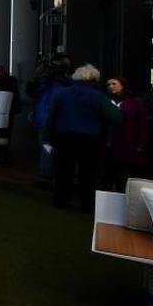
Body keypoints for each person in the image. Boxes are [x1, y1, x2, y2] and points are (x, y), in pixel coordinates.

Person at [45, 64, 122, 211]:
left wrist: (47, 138)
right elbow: (116, 117)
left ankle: (60, 200)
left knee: (63, 171)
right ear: (94, 80)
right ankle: (86, 204)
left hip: (64, 136)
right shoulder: (98, 96)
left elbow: (51, 118)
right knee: (87, 173)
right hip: (90, 138)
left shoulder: (62, 94)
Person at [105, 75, 148, 191]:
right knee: (107, 174)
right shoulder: (105, 101)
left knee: (123, 173)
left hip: (126, 143)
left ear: (122, 85)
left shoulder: (134, 102)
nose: (110, 86)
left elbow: (141, 123)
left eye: (114, 84)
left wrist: (140, 144)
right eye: (108, 84)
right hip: (107, 142)